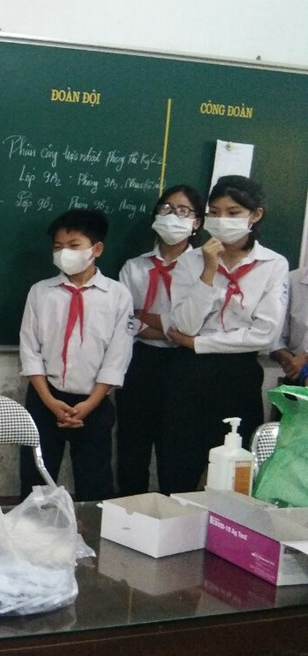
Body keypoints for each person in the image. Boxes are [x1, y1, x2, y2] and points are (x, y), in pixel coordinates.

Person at [160, 175, 289, 493]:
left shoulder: (273, 264)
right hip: (187, 372)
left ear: (255, 215)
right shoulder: (190, 260)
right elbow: (184, 326)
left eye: (233, 213)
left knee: (234, 475)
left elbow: (264, 335)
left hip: (238, 375)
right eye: (215, 213)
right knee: (178, 466)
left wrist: (199, 343)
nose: (222, 221)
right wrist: (208, 270)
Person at [19, 208, 134, 501]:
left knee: (94, 485)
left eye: (73, 246)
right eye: (58, 247)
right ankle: (33, 528)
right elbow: (30, 350)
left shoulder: (118, 296)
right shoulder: (40, 292)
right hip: (45, 399)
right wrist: (50, 401)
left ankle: (90, 529)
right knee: (35, 483)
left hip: (94, 403)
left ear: (96, 249)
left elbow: (117, 357)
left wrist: (90, 404)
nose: (64, 253)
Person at [115, 185, 204, 495]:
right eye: (166, 208)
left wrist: (149, 319)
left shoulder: (206, 268)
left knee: (178, 449)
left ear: (196, 222)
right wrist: (171, 329)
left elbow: (196, 327)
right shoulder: (135, 267)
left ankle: (175, 514)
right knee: (132, 446)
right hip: (140, 361)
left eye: (183, 210)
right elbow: (126, 321)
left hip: (186, 365)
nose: (172, 215)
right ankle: (129, 510)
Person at [271, 263, 308, 388]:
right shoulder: (292, 279)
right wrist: (286, 357)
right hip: (297, 376)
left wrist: (306, 359)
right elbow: (275, 333)